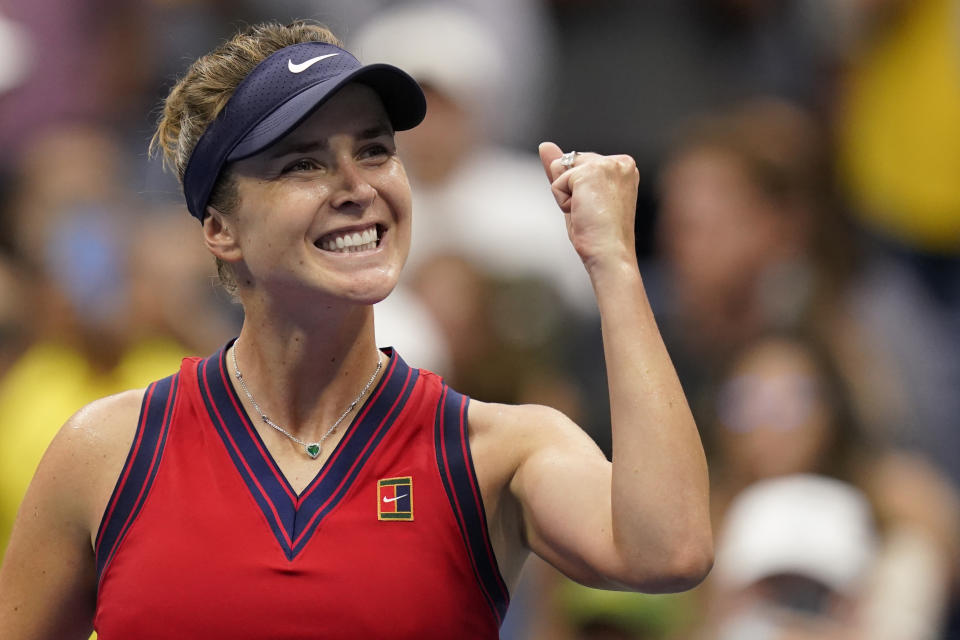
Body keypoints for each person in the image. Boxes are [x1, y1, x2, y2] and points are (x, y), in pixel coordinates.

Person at [0, 21, 712, 638]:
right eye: (304, 162)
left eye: (374, 150)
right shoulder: (106, 452)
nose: (357, 185)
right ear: (220, 229)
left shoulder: (497, 452)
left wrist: (615, 264)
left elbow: (669, 551)